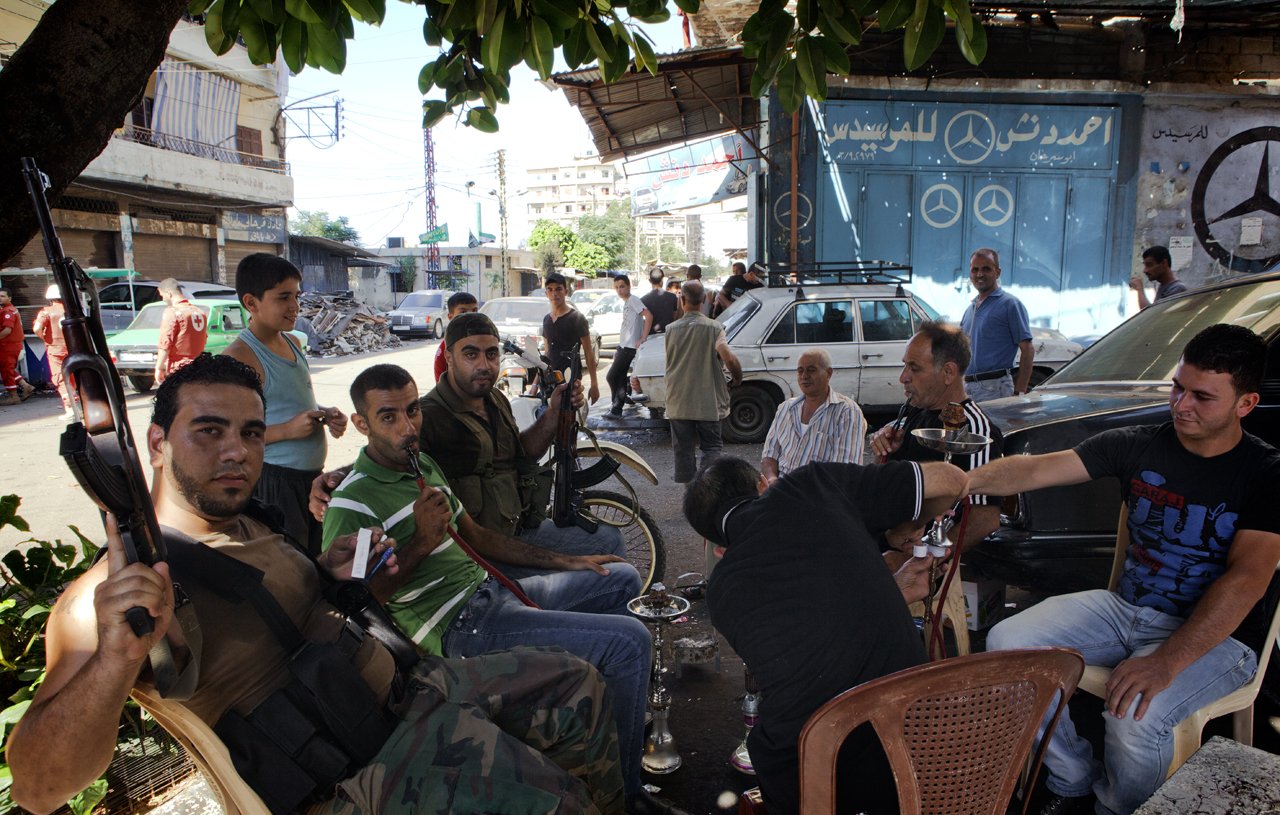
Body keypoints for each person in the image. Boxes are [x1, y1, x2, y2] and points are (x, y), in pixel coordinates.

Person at [5, 353, 627, 815]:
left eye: (251, 432)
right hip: (354, 769)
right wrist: (115, 655)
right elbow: (37, 789)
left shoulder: (252, 521)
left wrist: (333, 577)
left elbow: (322, 613)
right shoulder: (110, 596)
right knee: (558, 803)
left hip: (406, 691)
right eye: (210, 431)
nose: (237, 452)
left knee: (579, 684)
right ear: (158, 444)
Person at [320, 363, 679, 815]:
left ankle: (605, 722)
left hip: (491, 593)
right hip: (458, 627)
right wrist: (423, 541)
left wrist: (570, 562)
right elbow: (360, 606)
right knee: (629, 643)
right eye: (389, 417)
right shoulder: (351, 502)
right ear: (362, 424)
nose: (408, 427)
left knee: (621, 575)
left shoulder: (423, 465)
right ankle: (625, 796)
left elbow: (476, 535)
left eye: (413, 411)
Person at [970, 323, 1280, 815]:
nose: (1181, 405)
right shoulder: (1138, 444)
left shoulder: (1267, 474)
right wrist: (958, 481)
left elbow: (1247, 579)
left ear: (1245, 404)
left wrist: (1167, 661)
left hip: (1222, 639)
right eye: (1178, 387)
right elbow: (1036, 470)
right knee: (1007, 646)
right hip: (1126, 608)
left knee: (1136, 713)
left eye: (1203, 397)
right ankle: (1072, 780)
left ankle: (1118, 808)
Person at [685, 455, 968, 815]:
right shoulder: (812, 484)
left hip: (819, 760)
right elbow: (950, 480)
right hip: (922, 735)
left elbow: (804, 640)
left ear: (712, 542)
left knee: (768, 752)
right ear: (761, 483)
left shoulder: (721, 592)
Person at [312, 313, 626, 564]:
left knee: (609, 540)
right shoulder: (429, 414)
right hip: (482, 549)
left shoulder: (495, 399)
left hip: (518, 528)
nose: (484, 365)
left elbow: (522, 454)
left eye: (491, 354)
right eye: (470, 354)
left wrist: (554, 412)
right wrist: (339, 475)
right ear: (449, 358)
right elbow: (393, 448)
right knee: (605, 551)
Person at [222, 254, 347, 553]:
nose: (295, 306)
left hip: (311, 477)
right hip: (275, 480)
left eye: (296, 296)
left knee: (316, 556)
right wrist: (288, 431)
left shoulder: (291, 341)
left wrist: (325, 413)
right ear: (251, 303)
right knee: (291, 562)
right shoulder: (240, 357)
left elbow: (289, 399)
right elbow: (231, 437)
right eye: (283, 297)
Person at [868, 321, 1004, 555]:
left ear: (948, 372)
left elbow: (983, 518)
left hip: (921, 567)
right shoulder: (913, 413)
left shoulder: (973, 429)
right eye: (905, 366)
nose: (903, 377)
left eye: (914, 368)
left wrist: (923, 562)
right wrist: (883, 445)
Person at [665, 281, 742, 483]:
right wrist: (737, 377)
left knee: (683, 451)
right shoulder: (714, 328)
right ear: (703, 301)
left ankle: (690, 496)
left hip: (678, 401)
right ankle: (707, 490)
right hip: (708, 401)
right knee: (711, 448)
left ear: (682, 300)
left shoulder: (670, 330)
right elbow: (729, 358)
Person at [760, 348, 865, 483]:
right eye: (800, 371)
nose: (804, 376)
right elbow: (769, 456)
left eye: (811, 370)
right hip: (781, 492)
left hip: (820, 497)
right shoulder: (785, 408)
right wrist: (772, 480)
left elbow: (845, 471)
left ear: (829, 373)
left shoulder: (846, 412)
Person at [959, 248, 1034, 401]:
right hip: (967, 388)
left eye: (986, 269)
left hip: (995, 388)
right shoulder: (970, 309)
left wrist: (1019, 392)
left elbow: (1027, 349)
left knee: (994, 427)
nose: (980, 274)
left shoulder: (1010, 304)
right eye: (975, 270)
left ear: (997, 272)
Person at [542, 272, 600, 403]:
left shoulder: (577, 318)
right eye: (550, 290)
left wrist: (594, 384)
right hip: (551, 381)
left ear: (565, 291)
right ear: (546, 293)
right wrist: (534, 385)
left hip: (571, 380)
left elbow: (589, 352)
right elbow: (547, 354)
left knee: (568, 420)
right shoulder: (546, 320)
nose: (554, 293)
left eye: (558, 289)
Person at [605, 274, 652, 418]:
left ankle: (617, 404)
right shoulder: (627, 302)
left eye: (622, 286)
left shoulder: (633, 300)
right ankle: (617, 406)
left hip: (629, 347)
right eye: (617, 287)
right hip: (623, 345)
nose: (619, 290)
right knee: (619, 377)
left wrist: (643, 337)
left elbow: (648, 316)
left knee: (612, 376)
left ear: (629, 286)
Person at [153, 278, 208, 385]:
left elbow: (165, 343)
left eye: (162, 295)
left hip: (179, 370)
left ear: (169, 293)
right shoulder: (200, 312)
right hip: (199, 367)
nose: (163, 299)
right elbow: (204, 339)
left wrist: (159, 367)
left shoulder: (172, 312)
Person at [33, 285, 74, 419]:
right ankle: (83, 406)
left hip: (55, 349)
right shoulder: (72, 310)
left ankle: (70, 410)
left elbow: (37, 327)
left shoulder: (46, 311)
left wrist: (44, 337)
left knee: (60, 377)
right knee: (76, 375)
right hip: (74, 347)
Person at [432, 291, 478, 382]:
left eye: (474, 310)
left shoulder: (482, 340)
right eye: (463, 311)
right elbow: (440, 382)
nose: (470, 315)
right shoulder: (445, 347)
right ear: (450, 316)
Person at [0, 288, 34, 406]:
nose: (0, 298)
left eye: (3, 296)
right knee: (7, 368)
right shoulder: (11, 310)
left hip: (7, 345)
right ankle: (25, 386)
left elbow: (7, 330)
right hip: (12, 345)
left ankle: (13, 396)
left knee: (7, 371)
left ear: (9, 298)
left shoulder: (7, 311)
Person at [1130, 245, 1187, 311]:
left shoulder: (1177, 289)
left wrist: (1140, 290)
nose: (1145, 270)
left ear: (1164, 263)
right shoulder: (1163, 286)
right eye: (1145, 265)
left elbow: (1151, 315)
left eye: (1149, 265)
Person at [640, 269, 679, 333]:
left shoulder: (643, 300)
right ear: (662, 279)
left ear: (650, 281)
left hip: (651, 337)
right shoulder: (673, 297)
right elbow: (674, 317)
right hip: (669, 335)